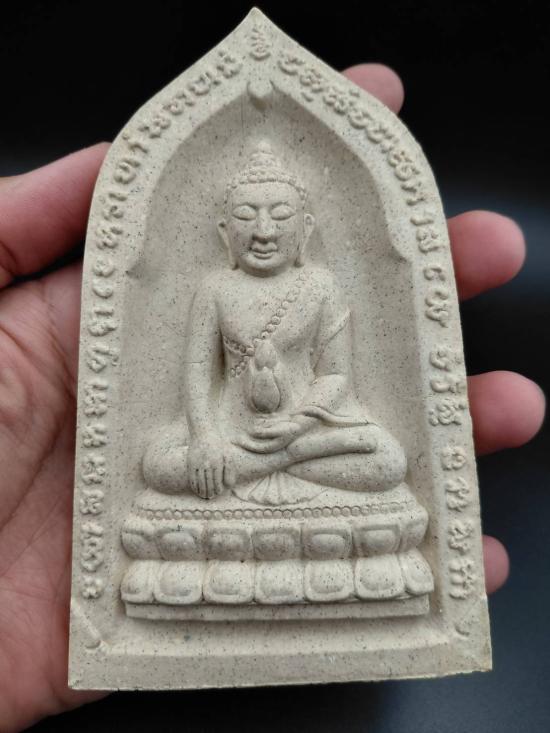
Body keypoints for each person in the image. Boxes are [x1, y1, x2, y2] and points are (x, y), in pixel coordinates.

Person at [0, 63, 544, 730]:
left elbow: (337, 376)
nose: (264, 230)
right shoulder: (216, 288)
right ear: (224, 232)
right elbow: (196, 375)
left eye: (280, 215)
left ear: (305, 228)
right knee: (158, 464)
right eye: (247, 216)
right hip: (228, 436)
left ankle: (269, 471)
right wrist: (205, 437)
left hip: (307, 433)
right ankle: (258, 476)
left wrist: (299, 427)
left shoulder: (320, 286)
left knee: (388, 460)